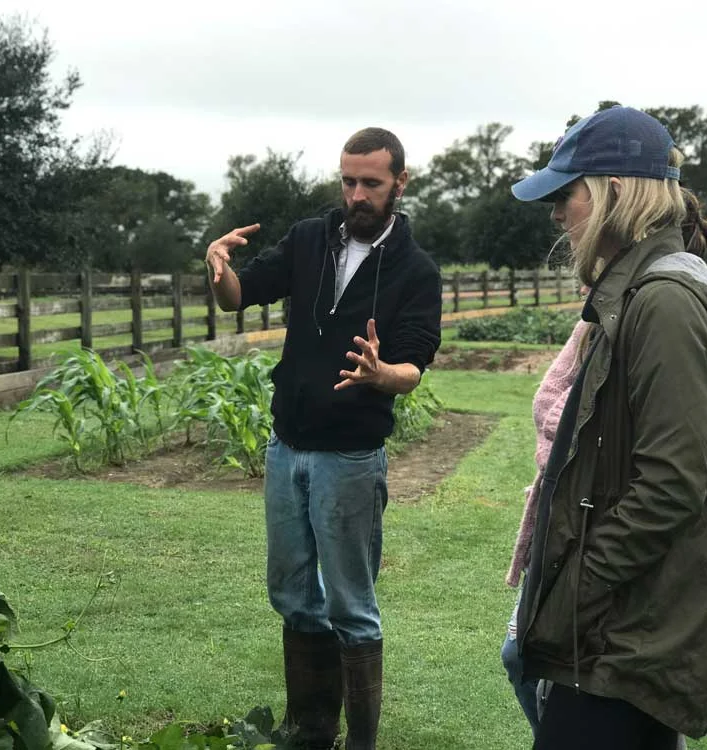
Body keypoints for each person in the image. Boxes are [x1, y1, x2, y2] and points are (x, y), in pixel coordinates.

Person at [509, 106, 707, 749]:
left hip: (624, 635)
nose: (557, 214)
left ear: (613, 195)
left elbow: (673, 484)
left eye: (566, 194)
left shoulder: (664, 303)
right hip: (617, 628)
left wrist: (576, 591)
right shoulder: (638, 293)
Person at [205, 128, 442, 750]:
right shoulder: (311, 238)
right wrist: (220, 270)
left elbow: (414, 366)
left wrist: (380, 374)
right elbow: (241, 296)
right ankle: (310, 730)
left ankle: (360, 741)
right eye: (348, 181)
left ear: (399, 183)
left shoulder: (416, 271)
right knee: (290, 593)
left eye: (371, 183)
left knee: (351, 605)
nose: (356, 195)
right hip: (288, 449)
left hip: (351, 458)